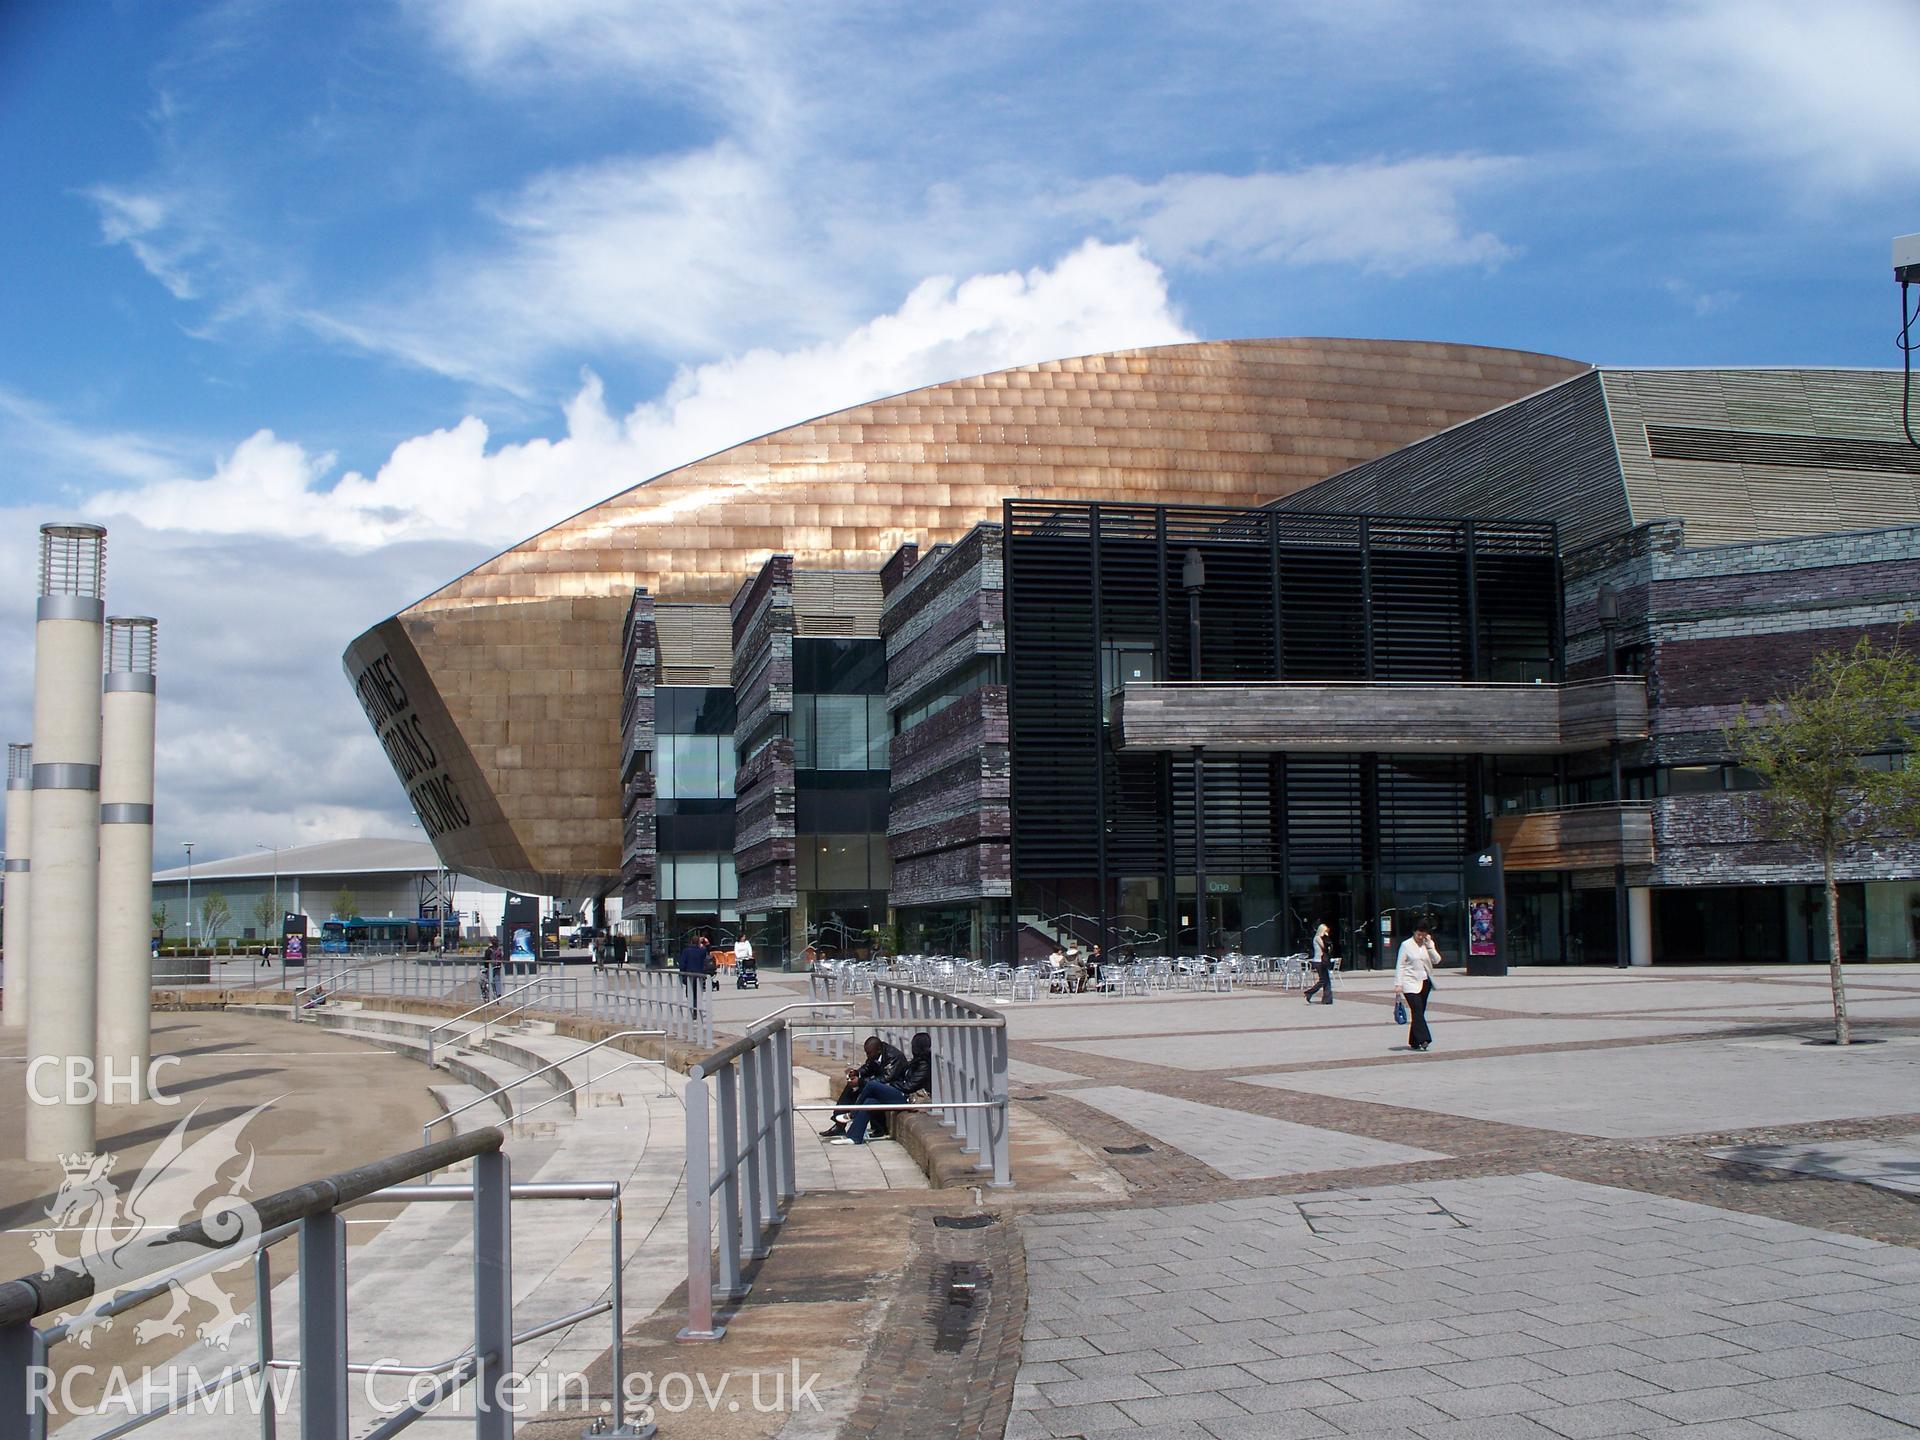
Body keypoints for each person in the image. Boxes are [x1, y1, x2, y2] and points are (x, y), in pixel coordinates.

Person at [833, 1032, 932, 1146]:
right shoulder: (916, 1062)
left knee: (871, 1085)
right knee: (870, 1101)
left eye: (914, 1046)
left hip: (908, 1099)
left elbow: (908, 1087)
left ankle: (852, 1114)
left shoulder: (924, 1065)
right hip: (901, 1094)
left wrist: (890, 1085)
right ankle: (854, 1137)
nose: (912, 1048)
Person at [823, 1035, 906, 1137]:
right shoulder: (875, 1053)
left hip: (894, 1088)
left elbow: (885, 1079)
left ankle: (865, 1121)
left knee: (868, 1093)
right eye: (866, 1053)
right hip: (879, 1085)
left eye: (869, 1053)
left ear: (878, 1050)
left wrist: (861, 1082)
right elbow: (868, 1067)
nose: (868, 1056)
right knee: (851, 1087)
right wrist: (857, 1073)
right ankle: (839, 1124)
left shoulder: (894, 1057)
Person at [1396, 917, 1441, 1052]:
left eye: (1423, 934)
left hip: (1424, 982)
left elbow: (1437, 960)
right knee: (1417, 1010)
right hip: (1409, 983)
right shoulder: (1406, 945)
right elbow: (1400, 965)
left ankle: (1413, 1041)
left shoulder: (1427, 944)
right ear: (1414, 932)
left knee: (1419, 1012)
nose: (1420, 937)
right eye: (1418, 934)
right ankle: (1424, 1039)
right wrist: (1398, 984)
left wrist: (1430, 946)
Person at [676, 931, 713, 1017]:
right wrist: (706, 942)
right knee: (697, 994)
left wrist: (682, 974)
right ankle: (696, 1010)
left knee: (690, 993)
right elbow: (708, 949)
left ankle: (691, 1009)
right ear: (698, 943)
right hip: (699, 975)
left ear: (691, 942)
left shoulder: (686, 951)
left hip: (689, 975)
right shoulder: (701, 951)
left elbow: (682, 964)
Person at [1305, 922, 1336, 1005]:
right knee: (1323, 980)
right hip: (1319, 961)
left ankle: (1327, 999)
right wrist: (1326, 937)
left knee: (1326, 981)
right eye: (1325, 931)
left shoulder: (1322, 938)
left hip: (1323, 961)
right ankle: (1309, 992)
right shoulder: (1317, 938)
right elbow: (1324, 947)